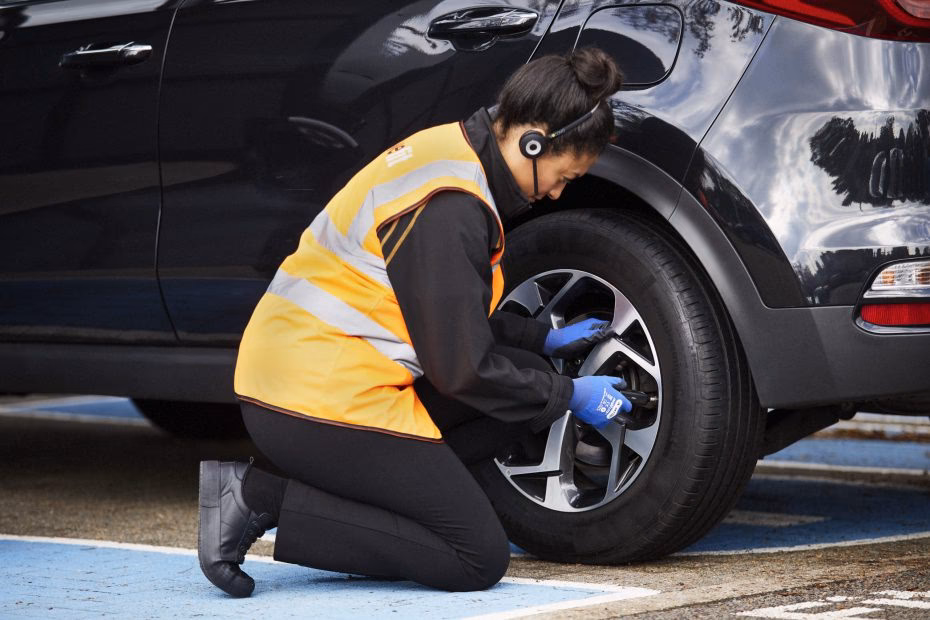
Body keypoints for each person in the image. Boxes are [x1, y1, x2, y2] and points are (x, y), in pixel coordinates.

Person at [197, 47, 629, 598]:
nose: (556, 192)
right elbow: (461, 368)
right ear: (532, 141)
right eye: (563, 175)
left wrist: (538, 338)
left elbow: (439, 312)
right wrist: (569, 393)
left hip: (323, 370)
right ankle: (256, 497)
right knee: (475, 556)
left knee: (520, 389)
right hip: (311, 398)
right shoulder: (449, 206)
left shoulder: (454, 152)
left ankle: (401, 494)